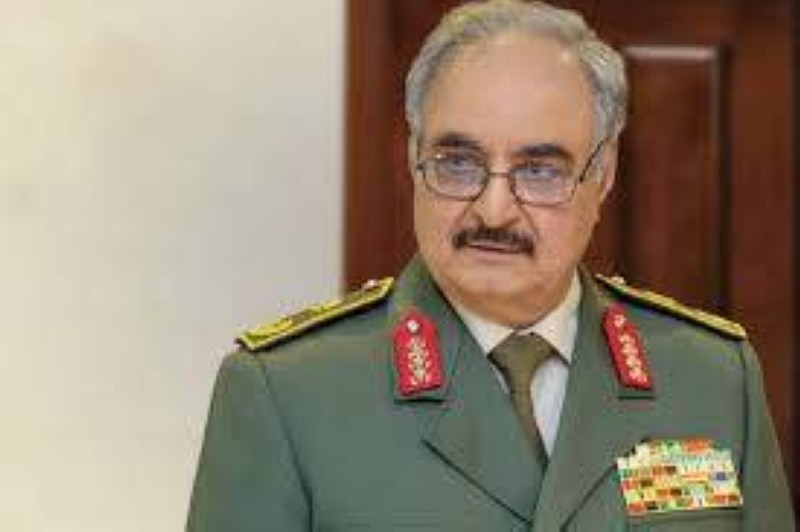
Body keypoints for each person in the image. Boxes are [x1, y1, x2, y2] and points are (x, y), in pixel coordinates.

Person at [186, 1, 794, 530]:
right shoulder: (287, 395)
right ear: (413, 157)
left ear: (603, 176)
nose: (494, 209)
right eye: (458, 163)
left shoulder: (713, 381)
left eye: (540, 171)